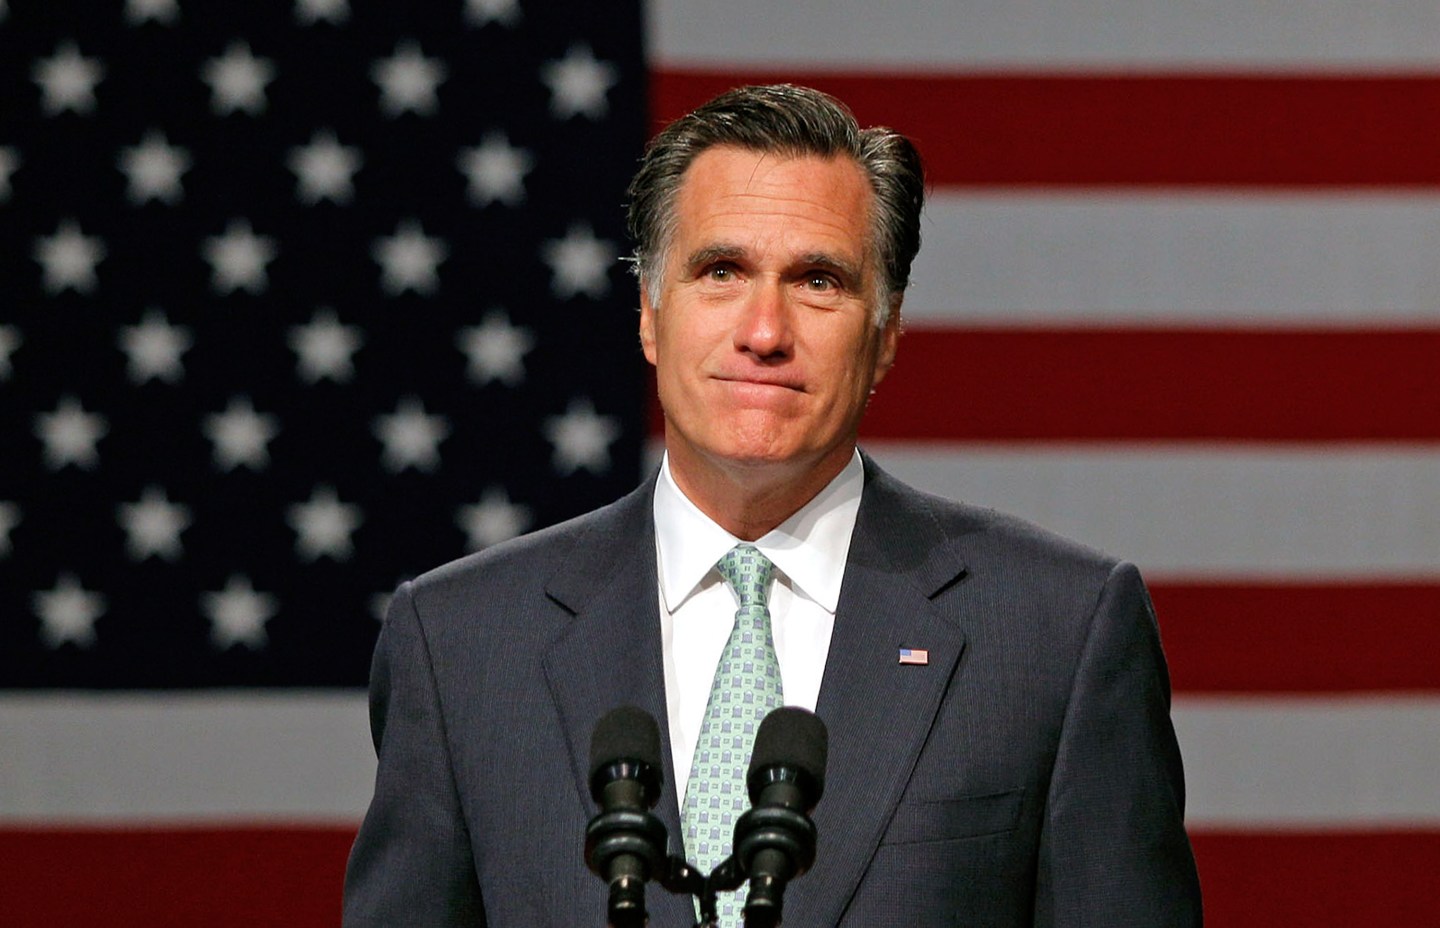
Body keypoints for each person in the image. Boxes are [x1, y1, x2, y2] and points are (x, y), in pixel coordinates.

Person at [343, 84, 1203, 927]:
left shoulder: (1057, 633)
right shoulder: (460, 644)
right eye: (721, 271)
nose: (764, 331)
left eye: (818, 280)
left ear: (888, 329)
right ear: (649, 312)